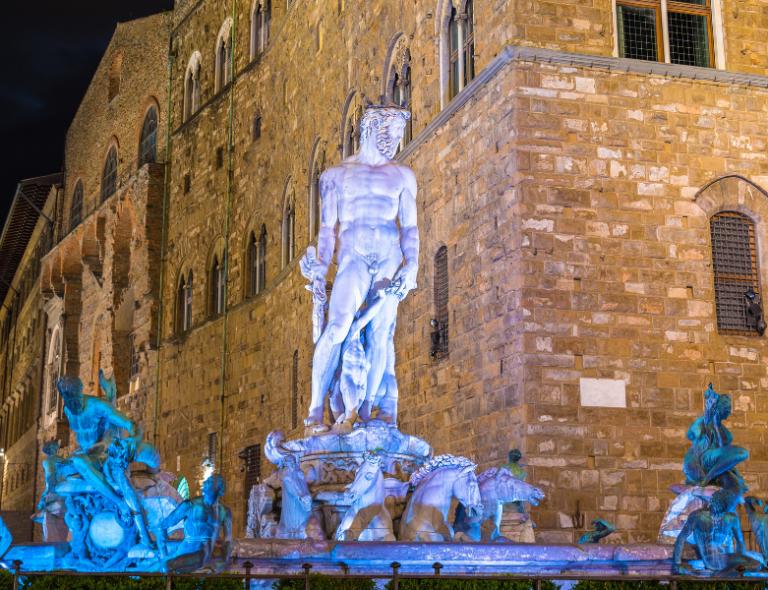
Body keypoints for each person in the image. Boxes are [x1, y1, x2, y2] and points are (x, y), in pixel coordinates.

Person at [302, 104, 418, 433]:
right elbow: (327, 230)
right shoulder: (335, 176)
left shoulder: (403, 176)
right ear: (369, 129)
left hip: (388, 256)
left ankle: (366, 412)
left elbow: (410, 229)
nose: (394, 141)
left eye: (398, 135)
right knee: (337, 327)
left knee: (381, 334)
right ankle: (314, 411)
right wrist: (320, 267)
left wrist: (413, 265)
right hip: (352, 257)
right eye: (389, 133)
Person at [57, 375, 158, 513]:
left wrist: (134, 439)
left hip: (103, 454)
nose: (73, 403)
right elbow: (83, 438)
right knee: (63, 468)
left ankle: (119, 502)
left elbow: (130, 425)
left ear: (80, 391)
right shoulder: (67, 410)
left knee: (79, 462)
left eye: (75, 397)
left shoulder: (97, 406)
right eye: (68, 399)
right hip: (87, 455)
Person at [673, 488, 762, 574]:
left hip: (724, 559)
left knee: (757, 564)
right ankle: (732, 572)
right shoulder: (698, 516)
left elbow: (740, 542)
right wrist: (677, 563)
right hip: (711, 561)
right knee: (755, 564)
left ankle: (735, 572)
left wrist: (741, 559)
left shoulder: (731, 518)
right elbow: (681, 538)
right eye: (730, 507)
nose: (732, 510)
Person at [156, 474, 232, 573]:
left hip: (204, 555)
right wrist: (163, 553)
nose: (205, 483)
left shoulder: (224, 512)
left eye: (210, 481)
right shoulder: (190, 505)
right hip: (186, 553)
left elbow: (228, 539)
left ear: (219, 489)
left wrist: (224, 560)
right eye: (207, 481)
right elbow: (162, 526)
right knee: (166, 567)